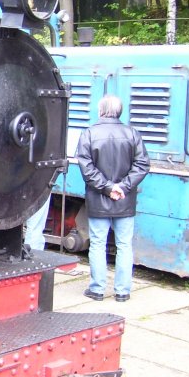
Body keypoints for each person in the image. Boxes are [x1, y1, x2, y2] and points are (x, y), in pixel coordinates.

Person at [75, 95, 150, 302]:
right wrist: (122, 187)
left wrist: (107, 188)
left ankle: (97, 289)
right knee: (124, 244)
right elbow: (142, 165)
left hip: (99, 199)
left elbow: (87, 168)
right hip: (124, 200)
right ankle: (122, 291)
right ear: (120, 111)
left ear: (100, 111)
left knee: (98, 243)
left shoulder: (89, 134)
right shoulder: (132, 134)